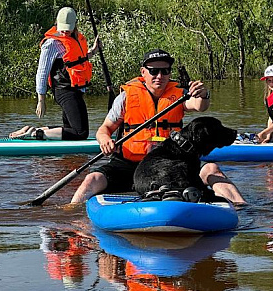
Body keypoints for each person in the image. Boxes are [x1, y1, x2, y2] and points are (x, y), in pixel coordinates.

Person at [70, 48, 246, 205]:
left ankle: (241, 207)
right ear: (143, 72)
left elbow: (200, 105)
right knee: (92, 178)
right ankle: (70, 215)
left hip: (169, 163)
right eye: (153, 71)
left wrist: (204, 94)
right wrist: (105, 140)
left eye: (165, 71)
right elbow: (104, 129)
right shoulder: (125, 98)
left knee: (211, 169)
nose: (159, 76)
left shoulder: (180, 95)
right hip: (129, 163)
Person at [9, 7, 100, 140]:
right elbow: (42, 72)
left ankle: (32, 130)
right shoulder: (51, 43)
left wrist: (94, 50)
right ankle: (34, 134)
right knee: (81, 133)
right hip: (64, 91)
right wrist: (41, 100)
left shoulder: (76, 39)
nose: (64, 31)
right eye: (62, 27)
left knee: (71, 129)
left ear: (75, 25)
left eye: (68, 28)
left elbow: (77, 60)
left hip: (75, 90)